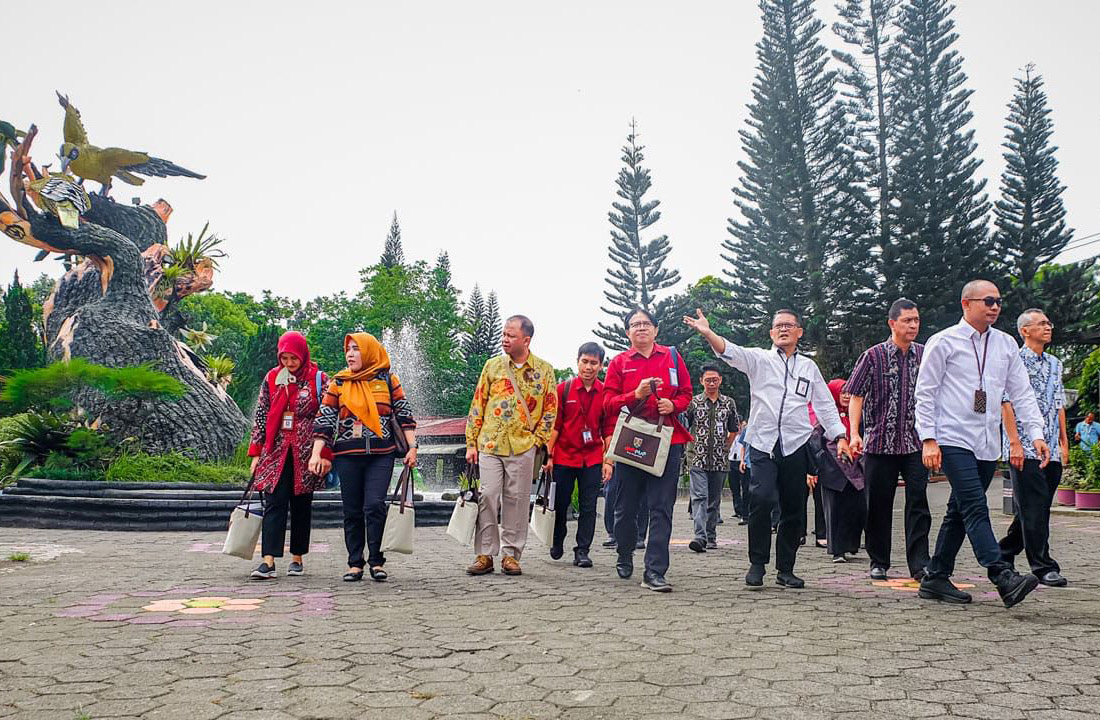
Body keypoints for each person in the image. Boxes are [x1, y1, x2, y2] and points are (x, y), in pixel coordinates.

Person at [685, 308, 850, 589]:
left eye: (789, 325)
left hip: (796, 445)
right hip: (762, 443)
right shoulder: (759, 360)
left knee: (794, 508)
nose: (783, 329)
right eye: (778, 326)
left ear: (799, 331)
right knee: (760, 499)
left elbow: (824, 405)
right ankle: (757, 563)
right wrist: (708, 332)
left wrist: (841, 437)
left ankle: (786, 569)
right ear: (771, 333)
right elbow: (730, 350)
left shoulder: (809, 368)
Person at [915, 280, 1050, 608]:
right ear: (966, 303)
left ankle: (935, 576)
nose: (995, 306)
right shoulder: (943, 342)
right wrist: (929, 439)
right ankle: (1002, 574)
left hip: (987, 441)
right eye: (988, 300)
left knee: (958, 512)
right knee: (975, 505)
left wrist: (1036, 434)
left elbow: (1021, 393)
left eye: (998, 301)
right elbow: (925, 393)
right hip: (952, 437)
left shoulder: (1004, 345)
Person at [310, 333, 417, 583]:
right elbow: (324, 420)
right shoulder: (339, 382)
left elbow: (404, 415)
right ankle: (355, 562)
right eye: (348, 349)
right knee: (352, 510)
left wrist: (413, 447)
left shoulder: (388, 380)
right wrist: (317, 453)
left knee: (375, 506)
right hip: (347, 455)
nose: (350, 354)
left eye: (356, 349)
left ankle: (377, 561)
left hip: (381, 454)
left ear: (369, 352)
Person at [603, 307, 694, 592]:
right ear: (627, 332)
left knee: (661, 507)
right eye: (634, 324)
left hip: (667, 439)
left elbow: (686, 393)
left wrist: (674, 405)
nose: (640, 328)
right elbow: (607, 404)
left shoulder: (672, 357)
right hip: (632, 440)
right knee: (626, 508)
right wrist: (636, 395)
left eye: (646, 324)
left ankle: (654, 571)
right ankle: (624, 550)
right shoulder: (619, 362)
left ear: (655, 329)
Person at [465, 315, 557, 577]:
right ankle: (484, 554)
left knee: (516, 501)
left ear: (526, 340)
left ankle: (511, 555)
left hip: (523, 445)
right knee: (488, 495)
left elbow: (550, 409)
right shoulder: (492, 366)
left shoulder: (544, 369)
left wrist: (537, 441)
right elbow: (478, 402)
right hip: (490, 443)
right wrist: (471, 442)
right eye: (504, 334)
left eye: (511, 335)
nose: (505, 339)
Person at [846, 298, 931, 581]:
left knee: (918, 502)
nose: (913, 325)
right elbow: (855, 395)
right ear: (892, 323)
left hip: (915, 442)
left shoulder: (925, 355)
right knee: (879, 504)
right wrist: (854, 433)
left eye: (916, 320)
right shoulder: (873, 356)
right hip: (879, 442)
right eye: (907, 320)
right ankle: (879, 560)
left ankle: (920, 563)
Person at [247, 331, 329, 580]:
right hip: (276, 450)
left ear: (303, 355)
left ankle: (297, 557)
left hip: (306, 451)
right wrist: (256, 453)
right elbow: (261, 416)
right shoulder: (273, 378)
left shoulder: (318, 378)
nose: (289, 364)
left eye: (294, 358)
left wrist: (324, 453)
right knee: (274, 501)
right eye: (284, 358)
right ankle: (268, 560)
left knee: (302, 503)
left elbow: (327, 417)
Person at [998, 309, 1070, 587]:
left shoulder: (1055, 363)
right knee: (1034, 506)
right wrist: (1014, 442)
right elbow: (1007, 403)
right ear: (1025, 330)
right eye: (1041, 324)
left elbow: (1059, 403)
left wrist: (1064, 443)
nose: (1048, 327)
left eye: (1048, 323)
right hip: (1025, 447)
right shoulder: (1014, 361)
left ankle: (1004, 552)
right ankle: (1043, 565)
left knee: (1035, 507)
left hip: (1051, 445)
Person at [544, 342, 609, 568]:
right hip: (564, 456)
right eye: (585, 361)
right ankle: (557, 538)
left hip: (592, 458)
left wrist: (608, 460)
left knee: (589, 506)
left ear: (600, 365)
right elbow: (555, 425)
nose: (588, 367)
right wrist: (548, 456)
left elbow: (608, 428)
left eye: (593, 363)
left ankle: (582, 550)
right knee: (561, 504)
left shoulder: (605, 393)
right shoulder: (564, 390)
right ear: (577, 361)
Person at [810, 379, 866, 563]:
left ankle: (851, 544)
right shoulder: (826, 417)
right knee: (834, 511)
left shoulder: (858, 416)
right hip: (833, 470)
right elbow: (815, 443)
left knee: (856, 509)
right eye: (842, 392)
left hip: (856, 469)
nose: (846, 396)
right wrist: (816, 468)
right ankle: (837, 550)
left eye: (849, 392)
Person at [685, 365, 740, 552]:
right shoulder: (694, 403)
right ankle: (699, 537)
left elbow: (734, 428)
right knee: (699, 497)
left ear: (720, 380)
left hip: (719, 459)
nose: (711, 383)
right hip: (697, 458)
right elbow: (686, 427)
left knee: (713, 501)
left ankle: (711, 537)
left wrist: (727, 446)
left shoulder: (728, 403)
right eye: (708, 380)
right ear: (701, 381)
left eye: (714, 379)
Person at [729, 420, 748, 519]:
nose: (739, 428)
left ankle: (744, 511)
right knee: (734, 488)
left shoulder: (744, 436)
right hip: (731, 461)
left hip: (741, 462)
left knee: (745, 487)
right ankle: (737, 509)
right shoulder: (731, 436)